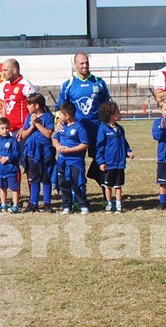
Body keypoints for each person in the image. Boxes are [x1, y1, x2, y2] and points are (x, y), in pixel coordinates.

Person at [56, 53, 111, 196]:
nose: (85, 65)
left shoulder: (99, 83)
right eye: (81, 63)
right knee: (74, 166)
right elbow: (60, 107)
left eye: (86, 63)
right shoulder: (68, 85)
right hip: (75, 132)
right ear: (75, 65)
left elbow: (107, 106)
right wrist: (59, 121)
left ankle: (107, 196)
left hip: (97, 130)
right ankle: (76, 198)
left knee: (102, 162)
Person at [19, 94, 55, 212]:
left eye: (29, 104)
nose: (27, 106)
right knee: (34, 178)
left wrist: (38, 124)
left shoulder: (48, 116)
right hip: (31, 151)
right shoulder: (28, 117)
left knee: (46, 178)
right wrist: (32, 126)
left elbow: (48, 134)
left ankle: (47, 203)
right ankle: (33, 203)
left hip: (45, 152)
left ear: (37, 105)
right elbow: (23, 135)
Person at [53, 102, 90, 214]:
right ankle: (66, 206)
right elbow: (55, 139)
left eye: (60, 115)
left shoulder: (79, 127)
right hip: (62, 160)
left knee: (77, 183)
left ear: (67, 116)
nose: (58, 117)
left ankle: (83, 205)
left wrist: (70, 150)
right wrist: (58, 146)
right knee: (63, 183)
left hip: (75, 161)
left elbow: (85, 144)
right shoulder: (61, 126)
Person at [95, 102, 130, 213]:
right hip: (109, 163)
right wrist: (101, 161)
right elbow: (99, 147)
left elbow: (124, 143)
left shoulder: (120, 129)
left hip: (119, 163)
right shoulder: (103, 129)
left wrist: (128, 151)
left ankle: (118, 205)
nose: (120, 114)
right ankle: (109, 205)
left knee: (118, 186)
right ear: (111, 115)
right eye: (117, 112)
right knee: (108, 186)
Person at [0, 116, 22, 213]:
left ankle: (15, 205)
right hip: (0, 170)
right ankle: (3, 204)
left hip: (11, 170)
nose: (5, 130)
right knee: (2, 188)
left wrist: (8, 158)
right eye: (2, 128)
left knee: (14, 188)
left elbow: (17, 153)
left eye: (7, 128)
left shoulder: (12, 140)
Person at [0, 59, 37, 134]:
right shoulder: (7, 86)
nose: (3, 73)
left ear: (14, 70)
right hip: (8, 130)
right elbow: (5, 106)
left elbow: (34, 108)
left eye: (5, 70)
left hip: (21, 131)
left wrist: (26, 128)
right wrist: (1, 126)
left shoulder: (25, 85)